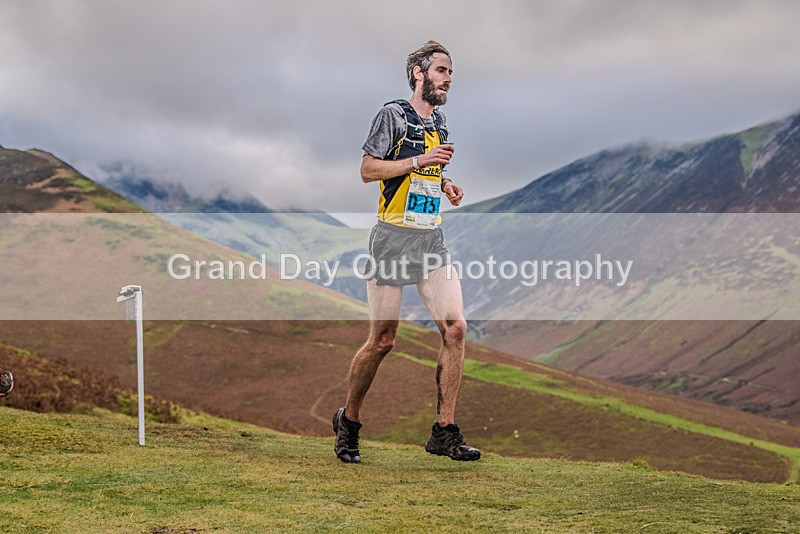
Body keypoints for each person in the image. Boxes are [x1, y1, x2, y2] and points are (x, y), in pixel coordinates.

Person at [333, 40, 480, 463]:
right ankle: (349, 421)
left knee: (455, 329)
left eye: (451, 72)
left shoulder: (442, 122)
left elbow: (431, 167)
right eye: (441, 70)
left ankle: (444, 432)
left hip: (429, 238)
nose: (448, 78)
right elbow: (368, 170)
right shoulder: (393, 115)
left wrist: (444, 182)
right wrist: (421, 162)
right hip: (392, 238)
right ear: (418, 72)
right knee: (382, 341)